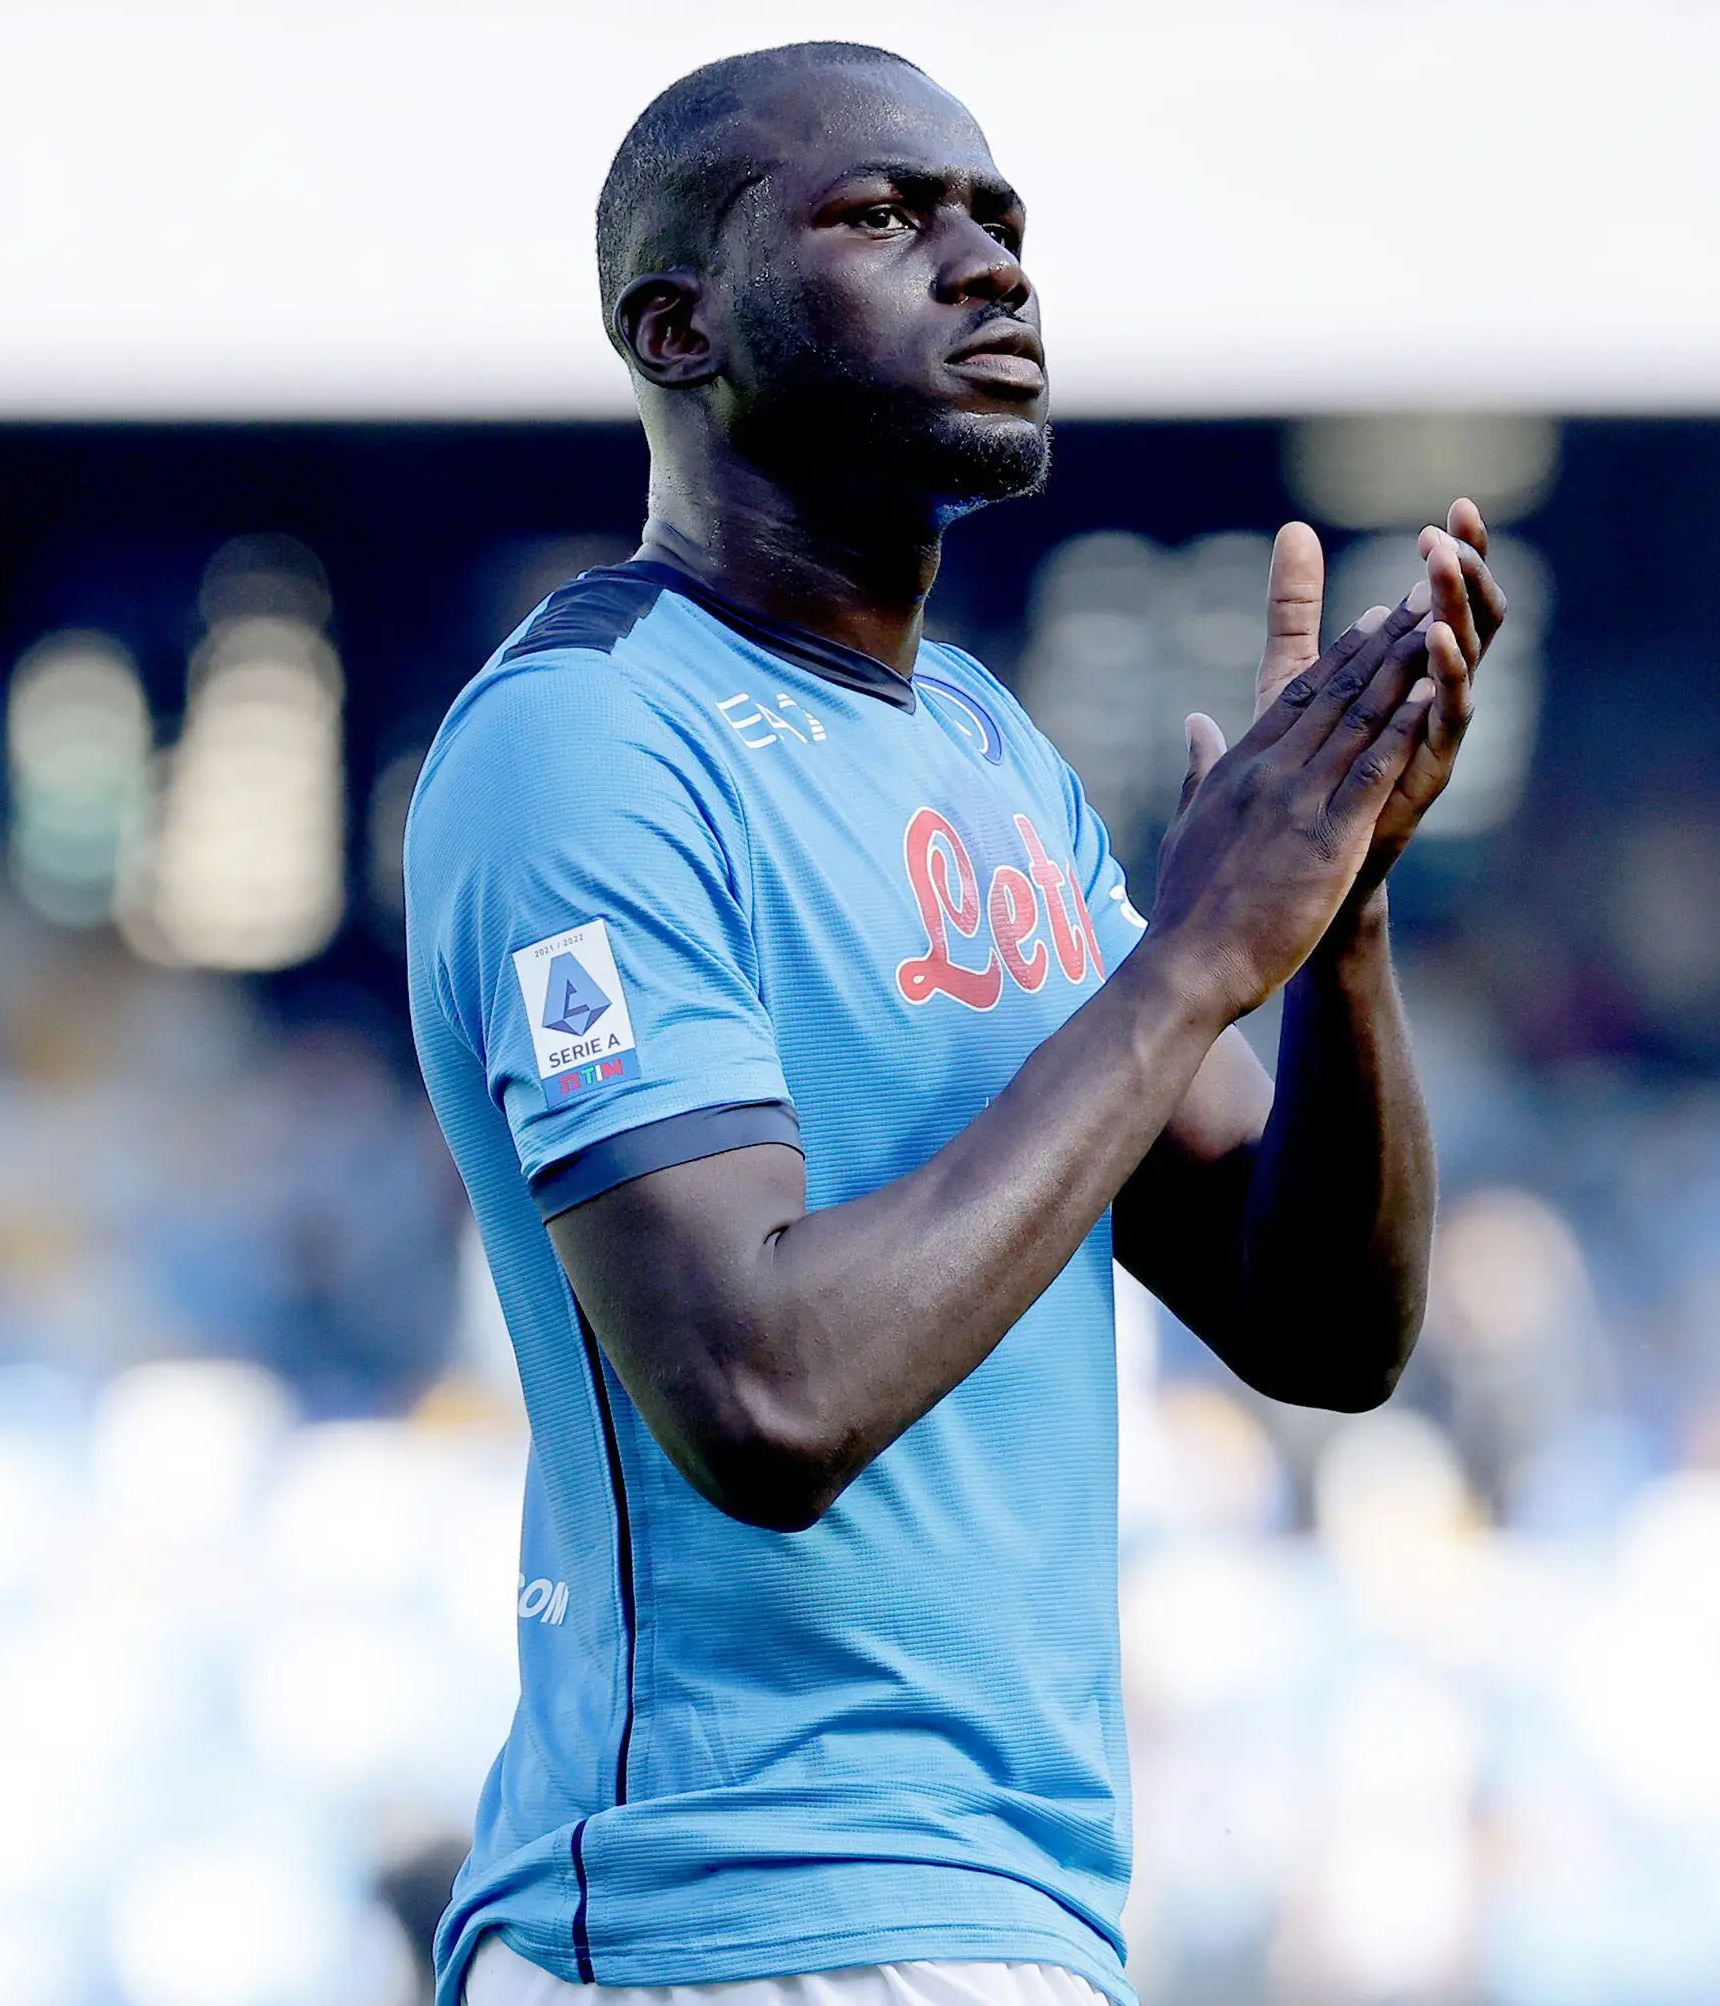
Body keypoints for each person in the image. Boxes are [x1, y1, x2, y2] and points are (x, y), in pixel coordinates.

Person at [406, 41, 1506, 2006]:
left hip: (1020, 1919)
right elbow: (762, 1399)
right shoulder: (587, 735)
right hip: (721, 1925)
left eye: (999, 221)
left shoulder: (989, 754)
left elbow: (1322, 1325)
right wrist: (1183, 965)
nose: (985, 265)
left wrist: (1332, 922)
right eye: (882, 216)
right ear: (679, 326)